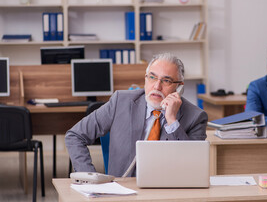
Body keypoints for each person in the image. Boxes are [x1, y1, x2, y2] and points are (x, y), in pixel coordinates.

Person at [65, 53, 208, 177]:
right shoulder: (121, 101)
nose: (157, 87)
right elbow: (75, 136)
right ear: (145, 78)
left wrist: (172, 121)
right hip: (122, 192)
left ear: (179, 87)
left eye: (166, 81)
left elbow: (193, 165)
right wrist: (90, 178)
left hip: (168, 192)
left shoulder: (196, 117)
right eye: (152, 77)